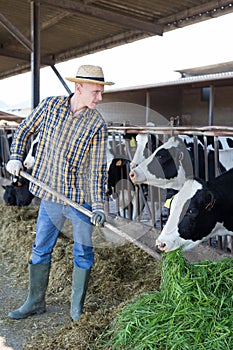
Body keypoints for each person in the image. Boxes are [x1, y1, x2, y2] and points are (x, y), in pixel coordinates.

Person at [6, 64, 114, 322]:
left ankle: (76, 310)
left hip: (81, 201)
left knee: (83, 252)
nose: (100, 98)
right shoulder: (50, 107)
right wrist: (16, 157)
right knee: (41, 248)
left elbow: (98, 169)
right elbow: (24, 130)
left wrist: (97, 205)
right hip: (50, 196)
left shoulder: (97, 124)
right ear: (79, 88)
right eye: (95, 92)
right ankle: (35, 302)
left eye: (101, 92)